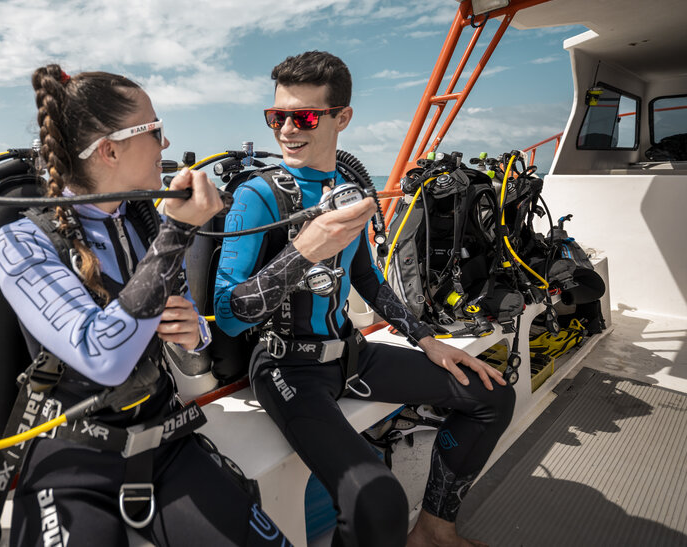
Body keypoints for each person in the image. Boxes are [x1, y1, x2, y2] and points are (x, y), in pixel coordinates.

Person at [213, 51, 516, 547]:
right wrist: (303, 251)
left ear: (342, 117)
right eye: (277, 116)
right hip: (288, 369)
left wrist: (426, 340)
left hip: (352, 354)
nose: (288, 129)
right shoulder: (256, 197)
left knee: (491, 394)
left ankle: (435, 532)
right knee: (377, 501)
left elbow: (366, 280)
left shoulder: (349, 190)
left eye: (305, 116)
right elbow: (228, 316)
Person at [0, 65, 293, 547]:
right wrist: (177, 232)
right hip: (72, 455)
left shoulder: (144, 223)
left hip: (162, 437)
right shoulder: (20, 243)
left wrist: (194, 332)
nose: (166, 144)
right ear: (110, 149)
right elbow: (101, 356)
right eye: (154, 131)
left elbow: (196, 335)